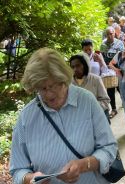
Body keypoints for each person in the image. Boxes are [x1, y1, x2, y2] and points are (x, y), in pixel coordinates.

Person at [10, 48, 117, 184]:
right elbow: (17, 170)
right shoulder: (26, 117)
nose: (48, 95)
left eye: (53, 86)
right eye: (42, 88)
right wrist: (30, 179)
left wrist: (84, 165)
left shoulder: (86, 101)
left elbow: (109, 148)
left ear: (64, 79)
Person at [70, 54, 111, 121]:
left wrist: (90, 108)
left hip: (98, 117)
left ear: (85, 65)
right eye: (72, 67)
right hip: (80, 120)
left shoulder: (96, 79)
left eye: (78, 66)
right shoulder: (69, 84)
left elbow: (105, 100)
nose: (75, 69)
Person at [100, 27, 124, 118]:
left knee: (120, 87)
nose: (110, 36)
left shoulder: (119, 43)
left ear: (114, 33)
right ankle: (113, 109)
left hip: (118, 68)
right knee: (110, 89)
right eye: (108, 34)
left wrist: (120, 69)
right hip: (108, 70)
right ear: (106, 35)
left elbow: (122, 56)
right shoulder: (103, 44)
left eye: (112, 33)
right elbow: (102, 56)